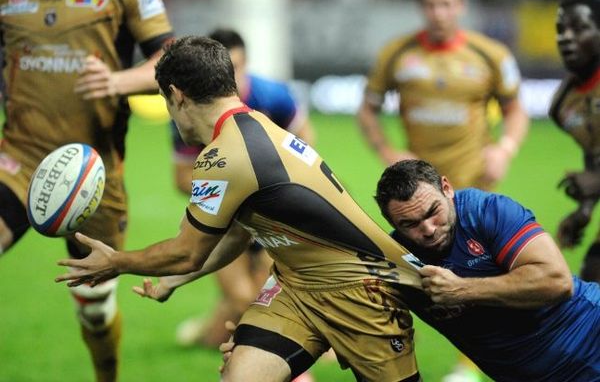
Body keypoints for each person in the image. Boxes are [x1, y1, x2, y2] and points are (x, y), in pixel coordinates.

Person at [55, 36, 426, 382]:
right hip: (296, 288)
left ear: (176, 95)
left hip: (361, 292)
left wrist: (114, 262)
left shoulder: (225, 156)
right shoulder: (251, 128)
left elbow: (186, 252)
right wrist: (174, 281)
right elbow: (236, 231)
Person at [0, 0, 174, 381]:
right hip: (18, 159)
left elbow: (171, 59)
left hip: (92, 172)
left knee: (95, 310)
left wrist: (117, 81)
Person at [374, 159, 600, 381]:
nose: (429, 229)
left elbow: (557, 282)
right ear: (392, 223)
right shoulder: (397, 261)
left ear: (447, 188)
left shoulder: (485, 211)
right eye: (410, 224)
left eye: (433, 211)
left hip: (590, 338)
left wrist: (461, 289)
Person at [172, 28, 315, 349]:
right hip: (226, 217)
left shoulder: (273, 97)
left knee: (266, 300)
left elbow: (305, 145)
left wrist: (263, 193)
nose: (229, 79)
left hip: (273, 213)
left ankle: (223, 335)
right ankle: (215, 330)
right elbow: (181, 178)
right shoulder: (188, 110)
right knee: (240, 306)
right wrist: (230, 192)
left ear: (246, 63)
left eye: (235, 68)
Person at [357, 0, 529, 192]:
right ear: (421, 7)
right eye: (431, 5)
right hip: (419, 186)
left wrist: (504, 150)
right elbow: (367, 110)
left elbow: (515, 110)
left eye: (446, 4)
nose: (438, 14)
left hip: (475, 180)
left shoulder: (492, 54)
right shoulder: (395, 53)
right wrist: (387, 151)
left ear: (461, 6)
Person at [549, 0, 600, 284]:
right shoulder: (563, 104)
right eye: (560, 30)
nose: (566, 38)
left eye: (579, 28)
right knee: (591, 286)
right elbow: (594, 155)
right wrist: (584, 209)